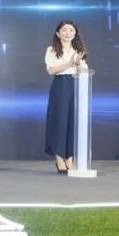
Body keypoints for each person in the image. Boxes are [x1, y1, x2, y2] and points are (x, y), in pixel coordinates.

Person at [44, 20, 89, 174]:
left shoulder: (78, 50)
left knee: (72, 121)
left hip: (76, 85)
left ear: (75, 33)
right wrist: (70, 64)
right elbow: (51, 70)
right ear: (58, 33)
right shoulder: (52, 50)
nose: (67, 33)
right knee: (60, 121)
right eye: (64, 30)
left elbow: (83, 69)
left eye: (71, 30)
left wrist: (78, 65)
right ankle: (59, 157)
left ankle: (70, 157)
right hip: (61, 85)